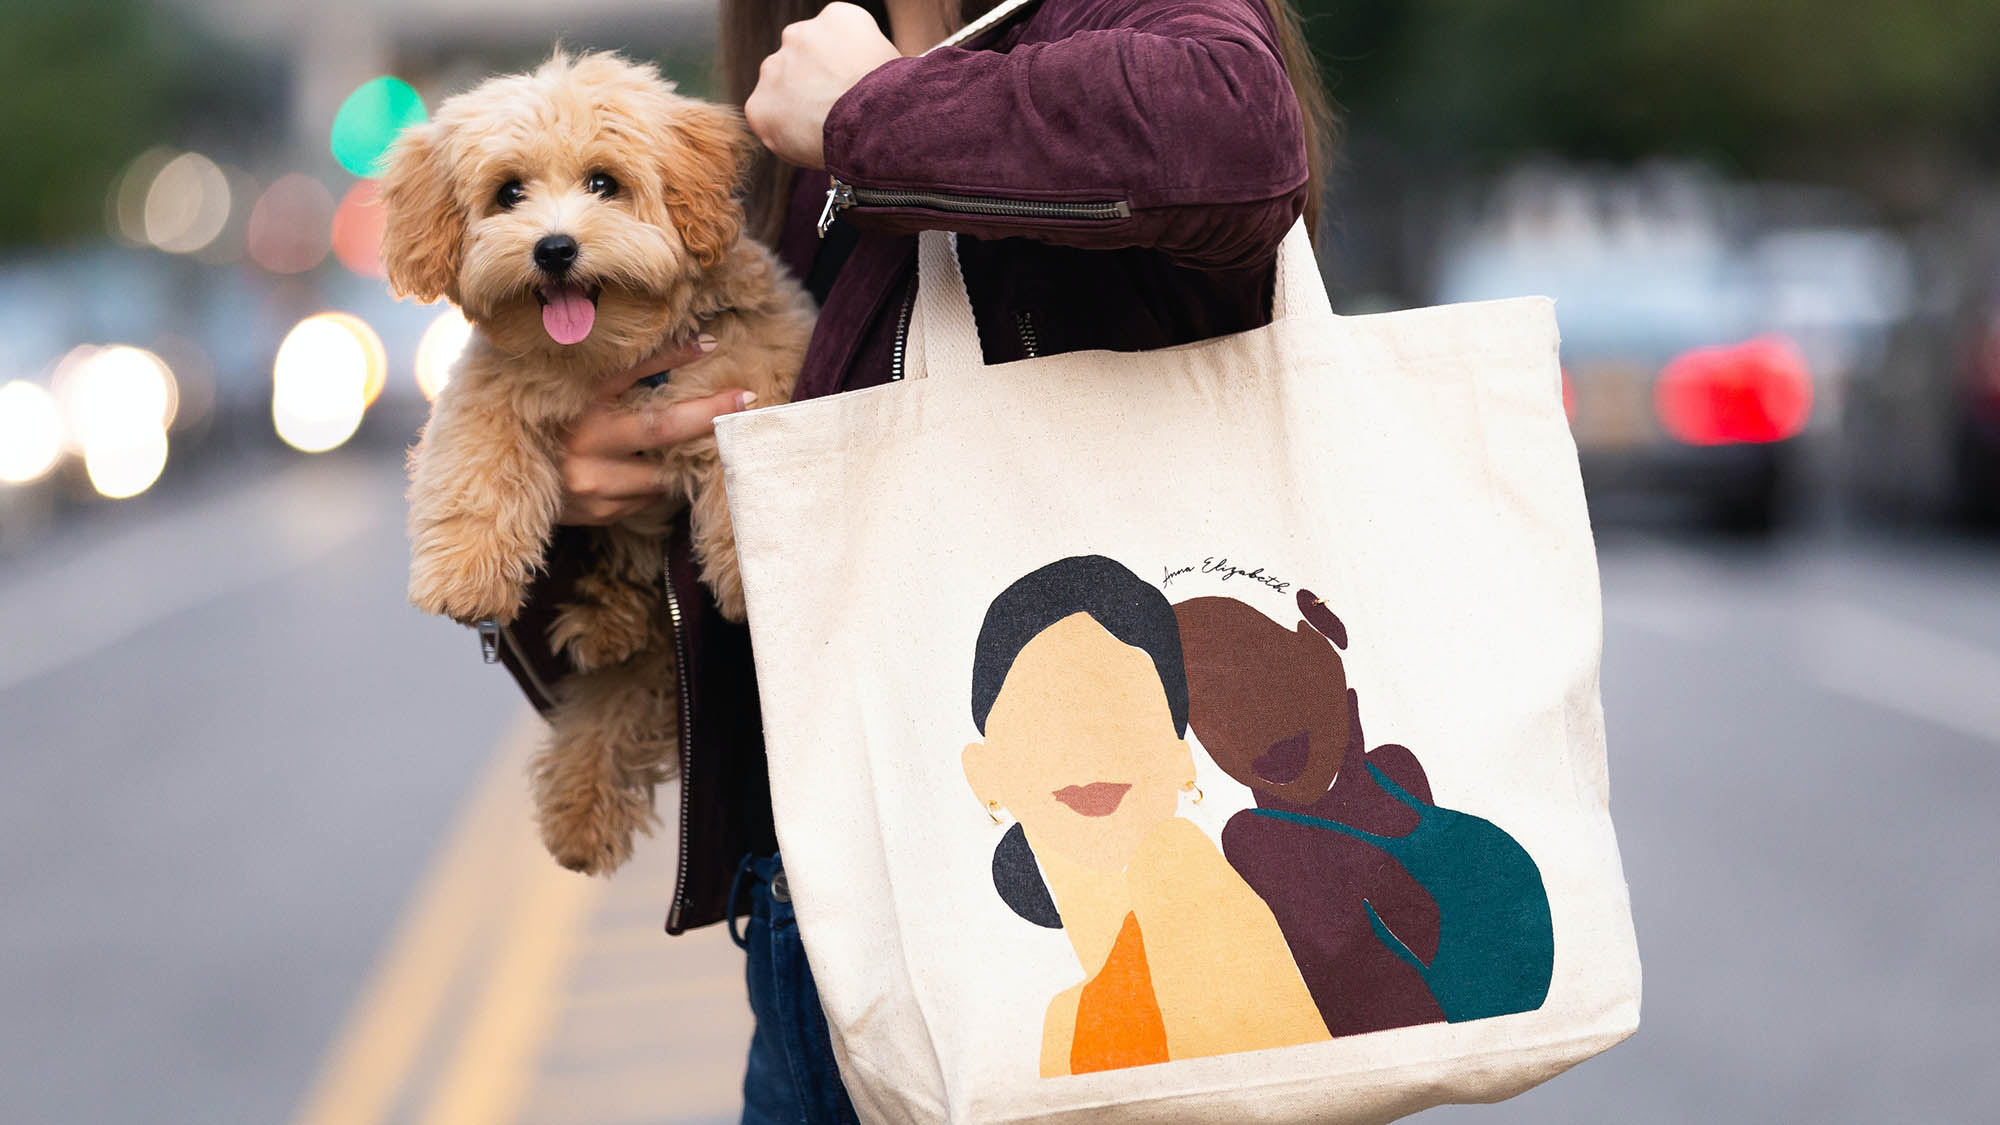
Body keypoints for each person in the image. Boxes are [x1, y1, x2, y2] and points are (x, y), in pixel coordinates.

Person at [490, 1, 1334, 1119]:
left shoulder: (1077, 27)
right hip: (824, 952)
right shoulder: (775, 101)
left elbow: (1238, 138)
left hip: (1142, 945)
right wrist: (573, 505)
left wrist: (871, 112)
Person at [963, 556, 1328, 1077]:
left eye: (1121, 709)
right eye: (1045, 716)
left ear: (1182, 758)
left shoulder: (1188, 883)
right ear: (983, 774)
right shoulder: (1065, 1021)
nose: (1087, 748)